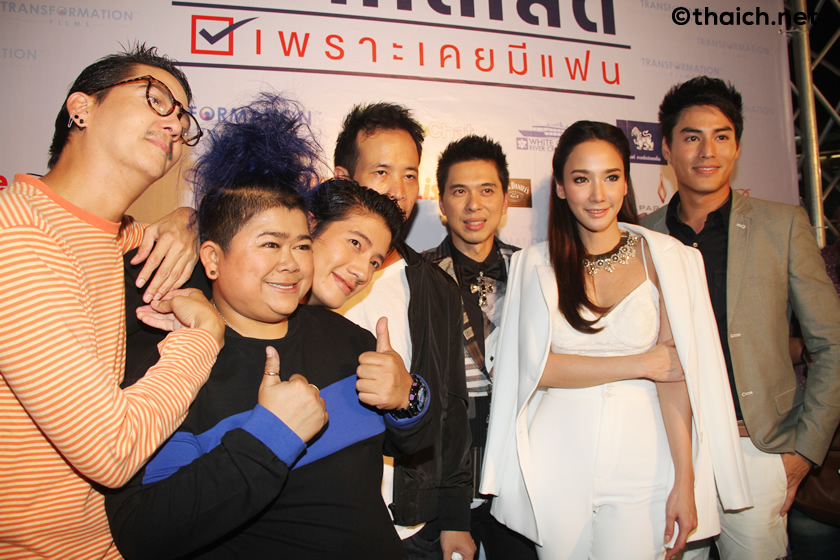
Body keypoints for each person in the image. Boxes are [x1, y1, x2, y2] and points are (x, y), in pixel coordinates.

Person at [106, 94, 431, 559]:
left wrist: (407, 398)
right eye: (271, 244)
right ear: (211, 258)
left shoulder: (352, 341)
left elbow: (416, 443)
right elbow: (145, 531)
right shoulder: (174, 360)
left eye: (301, 246)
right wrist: (272, 435)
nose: (291, 263)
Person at [481, 121, 752, 560]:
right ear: (562, 188)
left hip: (645, 458)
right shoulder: (533, 263)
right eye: (581, 179)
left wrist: (685, 480)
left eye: (610, 177)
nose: (597, 194)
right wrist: (640, 363)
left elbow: (675, 379)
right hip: (555, 457)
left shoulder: (669, 259)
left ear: (626, 183)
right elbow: (534, 369)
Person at [0, 45, 230, 558]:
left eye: (184, 119)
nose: (175, 126)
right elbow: (112, 450)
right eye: (157, 99)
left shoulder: (120, 237)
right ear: (81, 108)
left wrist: (188, 220)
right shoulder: (17, 234)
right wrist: (203, 337)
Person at [641, 76, 840, 559]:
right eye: (692, 137)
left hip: (756, 447)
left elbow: (831, 344)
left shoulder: (782, 225)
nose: (707, 151)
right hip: (666, 450)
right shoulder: (640, 236)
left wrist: (804, 451)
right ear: (666, 148)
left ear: (737, 146)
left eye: (722, 136)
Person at [334, 102, 476, 560]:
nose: (398, 191)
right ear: (342, 178)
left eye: (410, 175)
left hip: (410, 526)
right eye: (381, 172)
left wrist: (454, 518)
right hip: (319, 518)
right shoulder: (300, 269)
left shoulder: (437, 287)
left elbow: (452, 409)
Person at [421, 135, 537, 559]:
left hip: (519, 474)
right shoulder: (418, 276)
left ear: (505, 201)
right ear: (441, 203)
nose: (474, 205)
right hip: (446, 476)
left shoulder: (535, 271)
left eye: (487, 190)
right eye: (459, 192)